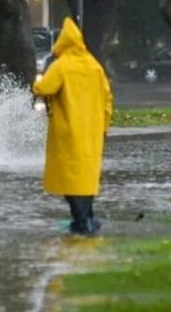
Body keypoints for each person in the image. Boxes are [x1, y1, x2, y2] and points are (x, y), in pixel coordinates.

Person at [33, 17, 113, 235]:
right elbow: (108, 100)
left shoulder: (62, 66)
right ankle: (87, 219)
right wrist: (104, 126)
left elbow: (45, 88)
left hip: (67, 131)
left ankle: (82, 223)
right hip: (92, 132)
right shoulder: (94, 66)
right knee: (86, 177)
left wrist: (36, 84)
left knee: (71, 180)